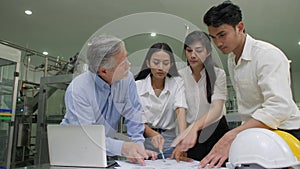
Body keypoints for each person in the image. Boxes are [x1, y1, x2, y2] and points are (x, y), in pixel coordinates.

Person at [198, 2, 300, 168]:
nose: (218, 43)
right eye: (213, 38)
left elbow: (279, 107)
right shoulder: (232, 60)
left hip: (285, 134)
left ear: (240, 27)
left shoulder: (267, 55)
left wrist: (233, 134)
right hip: (256, 134)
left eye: (222, 35)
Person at [61, 35, 157, 166]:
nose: (129, 65)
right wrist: (123, 148)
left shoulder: (127, 79)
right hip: (76, 152)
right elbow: (88, 137)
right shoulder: (78, 91)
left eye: (126, 57)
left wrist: (138, 148)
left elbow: (134, 115)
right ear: (103, 71)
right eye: (122, 63)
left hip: (103, 150)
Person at [170, 31, 229, 163]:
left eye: (198, 50)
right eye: (189, 50)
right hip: (192, 135)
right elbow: (181, 109)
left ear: (207, 52)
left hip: (216, 129)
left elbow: (217, 109)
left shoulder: (218, 74)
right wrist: (183, 137)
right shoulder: (179, 76)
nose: (193, 55)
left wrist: (192, 129)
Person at [135, 42, 187, 158]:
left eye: (165, 63)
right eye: (156, 62)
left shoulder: (177, 83)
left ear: (171, 65)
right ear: (148, 63)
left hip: (169, 141)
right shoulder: (137, 86)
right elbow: (136, 119)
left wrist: (182, 140)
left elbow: (180, 109)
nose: (160, 68)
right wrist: (152, 134)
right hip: (143, 139)